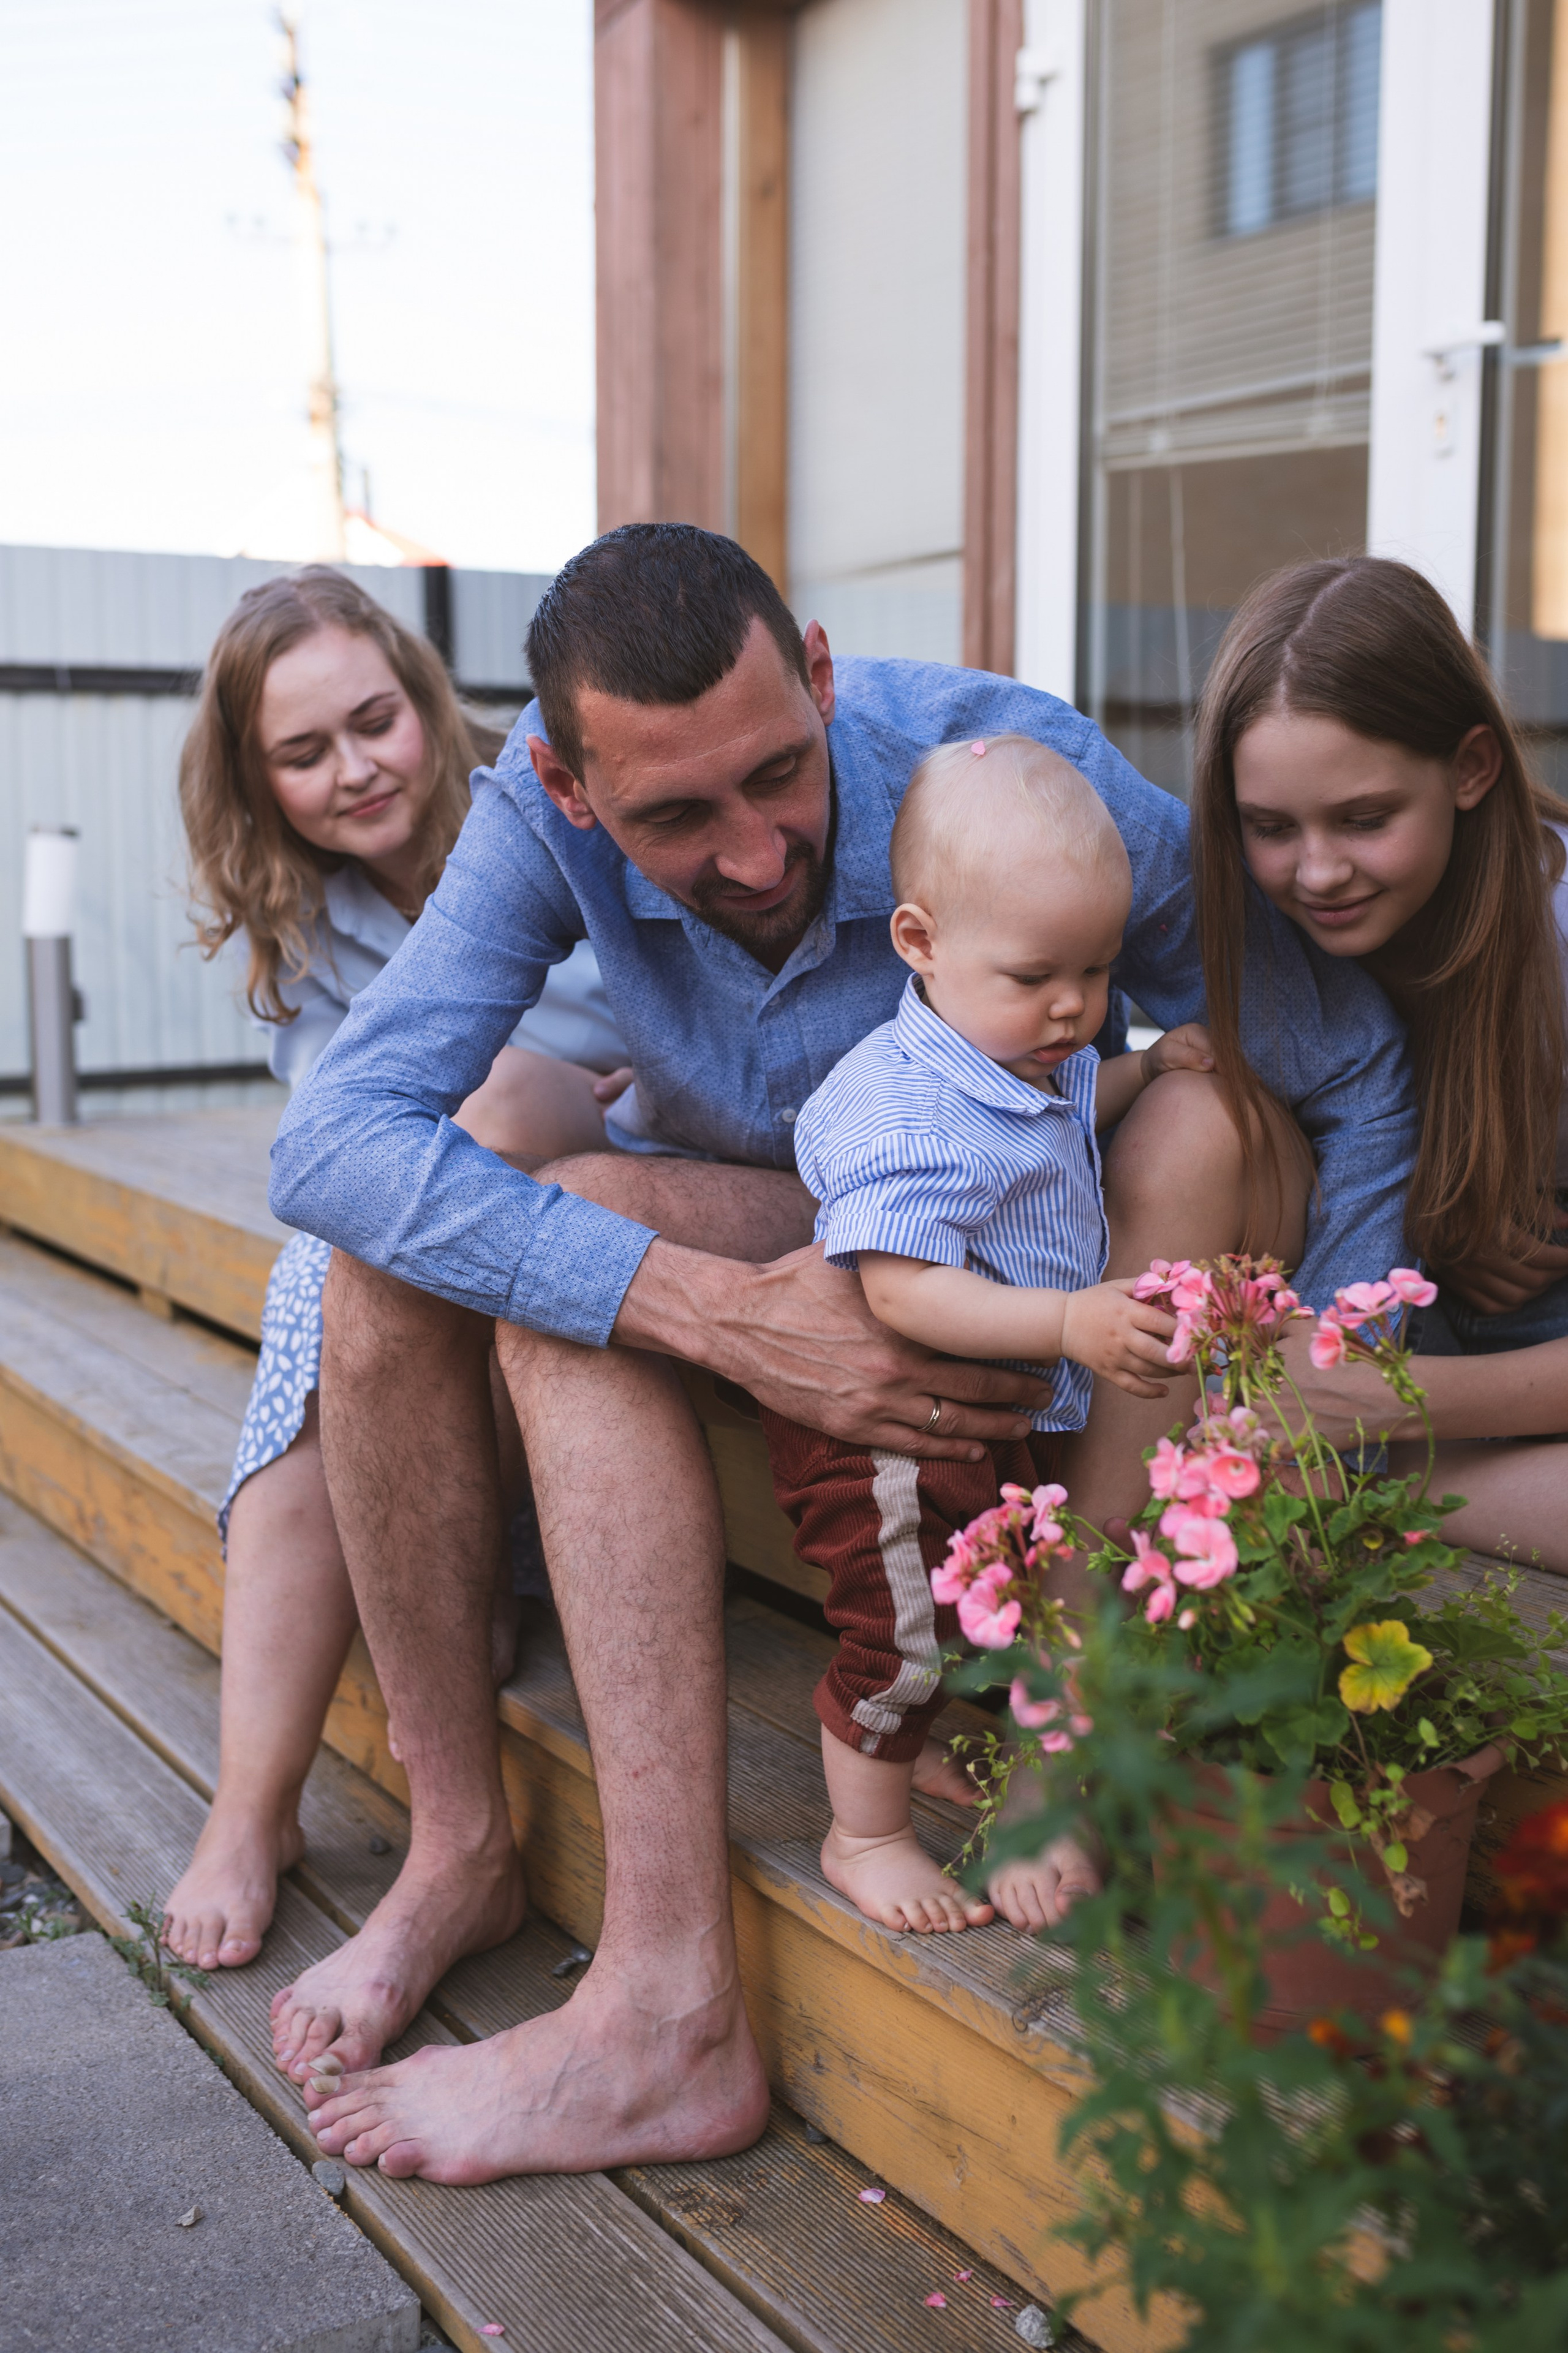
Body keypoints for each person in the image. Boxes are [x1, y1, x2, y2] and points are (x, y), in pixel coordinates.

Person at [266, 524, 1411, 2186]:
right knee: (437, 1259)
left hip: (1050, 1263)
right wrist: (716, 1310)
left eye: (778, 779)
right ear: (572, 791)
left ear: (815, 676)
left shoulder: (1007, 767)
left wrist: (1344, 1391)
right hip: (804, 1221)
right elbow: (332, 1146)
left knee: (1206, 1101)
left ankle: (1064, 1703)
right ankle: (501, 1876)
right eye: (675, 816)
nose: (750, 852)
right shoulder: (529, 812)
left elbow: (1345, 1052)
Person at [160, 567, 631, 1977]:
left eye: (373, 722)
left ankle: (453, 1571)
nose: (354, 769)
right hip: (446, 1223)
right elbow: (343, 1151)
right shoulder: (301, 918)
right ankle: (252, 1810)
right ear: (255, 779)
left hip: (619, 1149)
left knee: (473, 1114)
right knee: (345, 1253)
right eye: (302, 754)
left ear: (422, 697)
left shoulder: (551, 801)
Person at [767, 736, 1216, 1936]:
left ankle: (907, 1754)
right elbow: (903, 1293)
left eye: (1098, 970)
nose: (1072, 1006)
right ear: (917, 940)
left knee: (979, 1610)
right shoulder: (908, 1109)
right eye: (1036, 974)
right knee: (897, 1631)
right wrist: (1070, 1319)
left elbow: (1068, 1117)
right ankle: (859, 1834)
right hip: (884, 1432)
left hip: (979, 1416)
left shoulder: (1024, 1039)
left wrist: (1148, 1065)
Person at [1187, 554, 1568, 1569]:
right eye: (1270, 828)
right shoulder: (1266, 940)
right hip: (1391, 1369)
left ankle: (1378, 1486)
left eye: (1364, 819)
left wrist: (1379, 1405)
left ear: (1472, 768)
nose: (1317, 872)